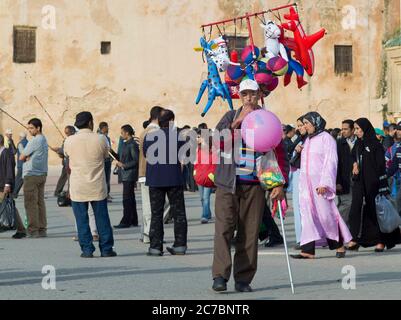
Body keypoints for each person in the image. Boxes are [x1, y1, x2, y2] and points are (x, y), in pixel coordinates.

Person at [211, 79, 286, 293]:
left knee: (249, 232)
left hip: (254, 184)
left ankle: (243, 278)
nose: (248, 98)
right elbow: (216, 142)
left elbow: (280, 155)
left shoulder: (269, 120)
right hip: (228, 184)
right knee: (224, 229)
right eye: (244, 95)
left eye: (252, 94)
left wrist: (279, 184)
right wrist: (237, 124)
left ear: (259, 95)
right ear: (239, 97)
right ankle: (220, 276)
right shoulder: (230, 117)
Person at [291, 112, 352, 259]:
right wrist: (298, 152)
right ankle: (308, 250)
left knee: (326, 215)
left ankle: (339, 245)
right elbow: (300, 163)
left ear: (315, 123)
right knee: (307, 216)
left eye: (307, 123)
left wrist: (325, 182)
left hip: (320, 186)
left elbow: (330, 162)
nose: (304, 126)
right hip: (306, 186)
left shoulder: (326, 139)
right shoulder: (307, 140)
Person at [64, 112, 116, 258]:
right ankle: (106, 249)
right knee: (102, 218)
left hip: (78, 186)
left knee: (81, 219)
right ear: (90, 123)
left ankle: (87, 250)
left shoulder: (69, 141)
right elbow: (106, 156)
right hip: (97, 185)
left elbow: (67, 155)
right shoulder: (101, 139)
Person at [347, 118, 401, 252]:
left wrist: (382, 184)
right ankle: (355, 238)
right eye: (356, 129)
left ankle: (382, 241)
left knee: (376, 212)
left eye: (359, 129)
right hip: (360, 183)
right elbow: (352, 157)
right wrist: (354, 164)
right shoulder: (358, 144)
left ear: (365, 129)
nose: (357, 132)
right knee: (355, 210)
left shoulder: (375, 145)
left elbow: (381, 166)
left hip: (374, 184)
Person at [143, 109, 188, 256]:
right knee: (179, 213)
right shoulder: (178, 137)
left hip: (155, 179)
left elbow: (146, 155)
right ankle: (180, 245)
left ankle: (155, 247)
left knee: (156, 214)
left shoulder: (150, 137)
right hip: (174, 178)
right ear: (172, 121)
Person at [138, 106, 165, 244]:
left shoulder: (145, 131)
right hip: (152, 173)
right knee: (153, 205)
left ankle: (146, 232)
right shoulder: (155, 131)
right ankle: (149, 233)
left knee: (148, 205)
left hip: (144, 173)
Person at [19, 118, 48, 238]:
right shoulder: (44, 139)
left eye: (31, 128)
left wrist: (20, 146)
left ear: (38, 128)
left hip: (32, 175)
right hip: (42, 174)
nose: (29, 130)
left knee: (30, 203)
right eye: (28, 128)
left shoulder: (35, 140)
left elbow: (21, 156)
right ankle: (42, 229)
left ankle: (33, 230)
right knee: (40, 203)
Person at [0, 134, 27, 239]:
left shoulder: (7, 153)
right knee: (6, 205)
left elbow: (9, 170)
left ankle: (21, 229)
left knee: (9, 206)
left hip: (5, 185)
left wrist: (7, 184)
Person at [114, 125, 140, 228]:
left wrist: (124, 165)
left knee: (127, 198)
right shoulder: (126, 144)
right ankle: (133, 220)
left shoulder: (132, 144)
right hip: (125, 174)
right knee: (130, 198)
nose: (121, 135)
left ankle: (126, 221)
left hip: (129, 174)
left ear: (127, 133)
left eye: (122, 133)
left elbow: (136, 160)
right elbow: (121, 157)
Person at [289, 116, 308, 249]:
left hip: (309, 176)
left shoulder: (315, 140)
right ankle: (301, 238)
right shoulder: (299, 141)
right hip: (298, 174)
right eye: (299, 125)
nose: (300, 128)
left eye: (302, 125)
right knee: (299, 207)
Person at [336, 120, 357, 226]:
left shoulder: (359, 142)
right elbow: (336, 164)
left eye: (346, 129)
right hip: (344, 180)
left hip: (357, 180)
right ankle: (338, 227)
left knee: (357, 205)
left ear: (353, 130)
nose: (343, 131)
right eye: (342, 129)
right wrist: (337, 181)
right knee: (346, 204)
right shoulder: (339, 143)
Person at [50, 126, 76, 197]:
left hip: (70, 163)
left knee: (70, 179)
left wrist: (57, 150)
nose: (66, 134)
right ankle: (59, 191)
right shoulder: (67, 140)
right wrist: (59, 151)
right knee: (64, 177)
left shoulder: (72, 140)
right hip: (66, 163)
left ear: (72, 131)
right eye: (66, 133)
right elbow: (63, 150)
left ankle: (69, 193)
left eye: (67, 133)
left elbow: (63, 150)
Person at [98, 122, 113, 202]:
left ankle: (107, 194)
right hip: (103, 160)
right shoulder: (99, 137)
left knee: (107, 178)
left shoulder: (107, 137)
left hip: (108, 160)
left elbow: (109, 148)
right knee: (103, 178)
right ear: (103, 128)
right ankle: (104, 195)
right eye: (107, 127)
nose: (108, 129)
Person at [13, 132, 28, 198]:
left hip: (21, 164)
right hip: (27, 164)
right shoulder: (29, 142)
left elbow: (23, 153)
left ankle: (14, 193)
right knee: (22, 179)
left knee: (18, 179)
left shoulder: (20, 144)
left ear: (21, 137)